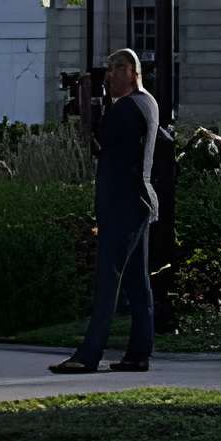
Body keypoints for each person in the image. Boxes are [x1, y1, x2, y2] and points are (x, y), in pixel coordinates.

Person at [54, 48, 160, 376]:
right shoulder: (148, 103)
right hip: (141, 201)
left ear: (129, 71)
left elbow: (101, 145)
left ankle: (89, 354)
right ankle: (138, 353)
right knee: (137, 283)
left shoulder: (126, 109)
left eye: (113, 71)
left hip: (122, 203)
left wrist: (89, 113)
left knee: (108, 277)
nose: (109, 78)